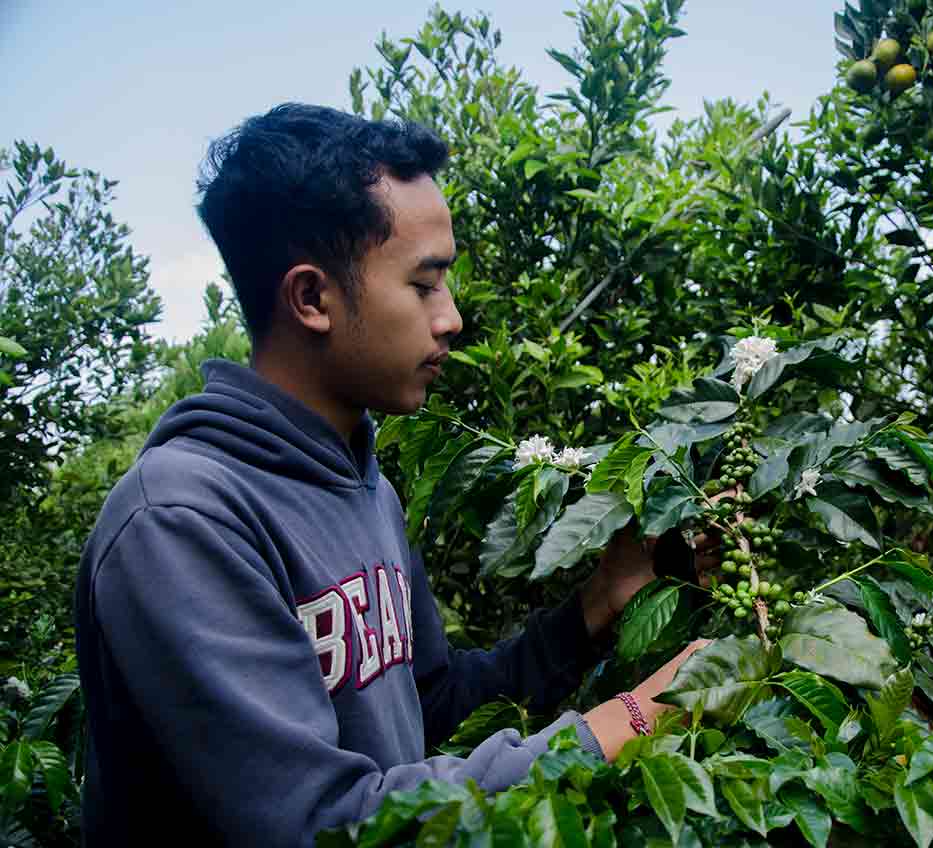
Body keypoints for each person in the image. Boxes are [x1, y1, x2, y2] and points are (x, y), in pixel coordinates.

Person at [73, 103, 710, 848]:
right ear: (313, 298)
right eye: (425, 284)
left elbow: (431, 705)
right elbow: (319, 825)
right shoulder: (181, 522)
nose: (452, 318)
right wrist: (630, 719)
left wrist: (599, 606)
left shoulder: (365, 484)